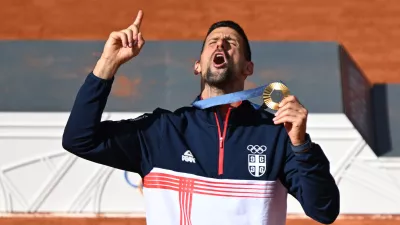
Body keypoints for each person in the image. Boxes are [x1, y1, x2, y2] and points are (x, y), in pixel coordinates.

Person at [62, 10, 340, 225]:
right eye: (212, 42)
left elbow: (324, 210)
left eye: (231, 43)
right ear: (198, 65)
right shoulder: (163, 131)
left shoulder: (275, 133)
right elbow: (79, 139)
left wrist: (301, 145)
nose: (221, 44)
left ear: (248, 67)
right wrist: (107, 64)